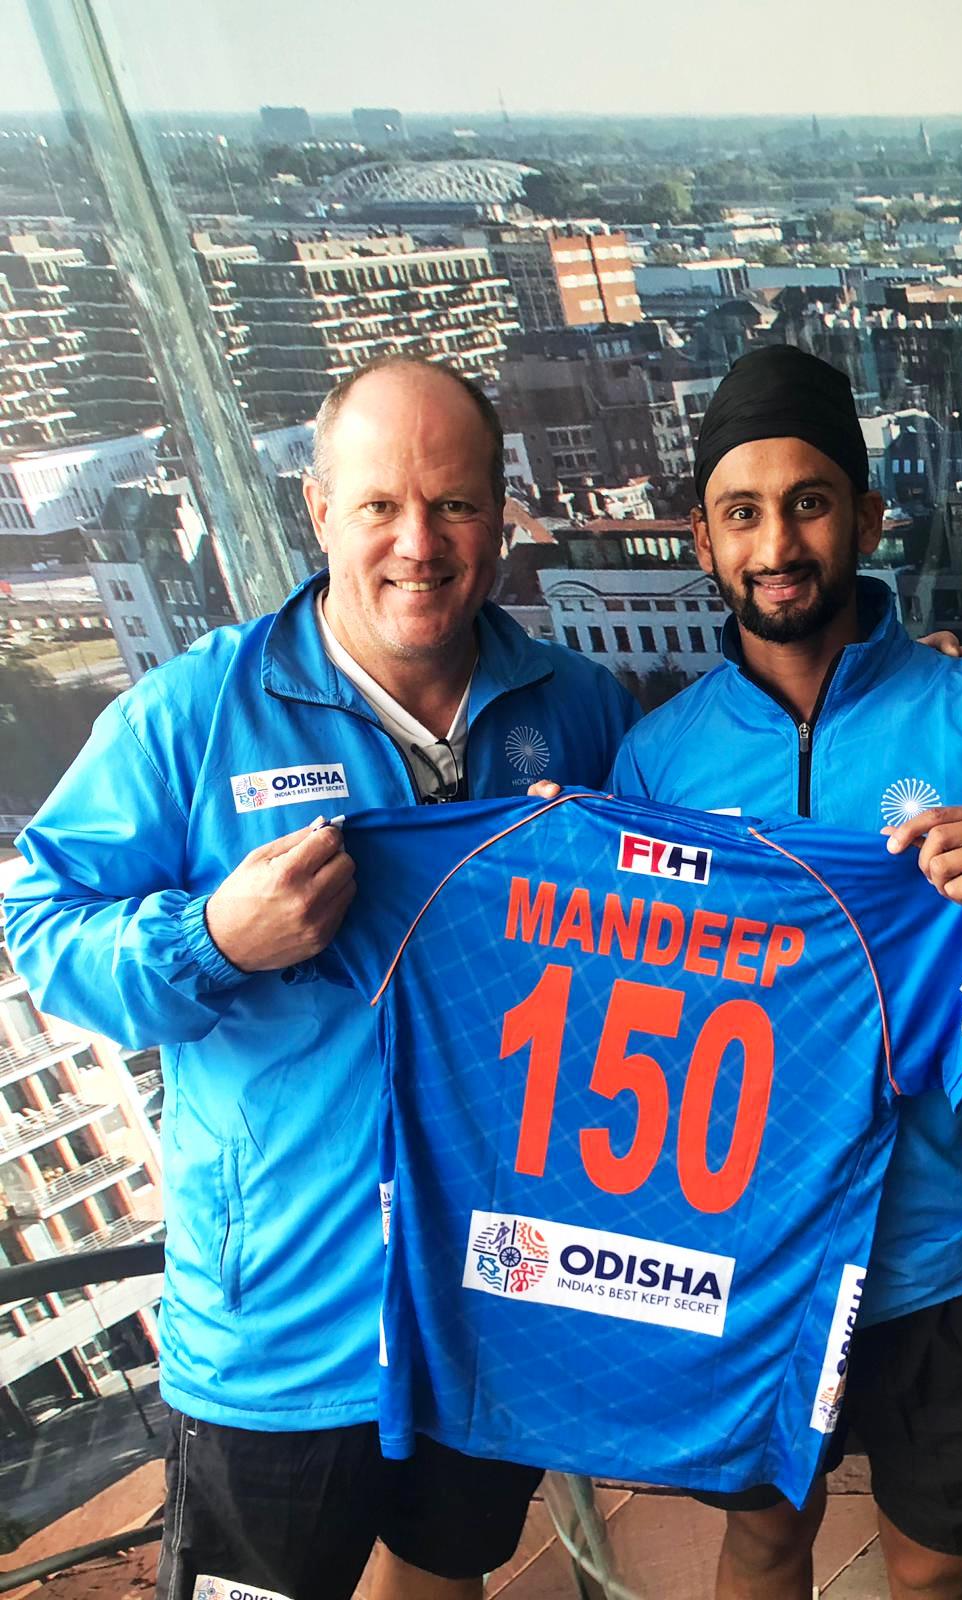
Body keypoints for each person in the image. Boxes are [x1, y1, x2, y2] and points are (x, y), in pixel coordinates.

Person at [3, 357, 640, 1600]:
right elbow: (39, 925)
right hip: (281, 1335)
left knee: (443, 1579)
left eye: (454, 505)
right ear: (319, 508)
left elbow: (700, 876)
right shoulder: (194, 716)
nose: (420, 543)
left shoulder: (576, 710)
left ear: (501, 516)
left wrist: (884, 685)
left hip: (488, 1302)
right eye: (381, 505)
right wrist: (212, 938)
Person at [603, 345, 962, 1600]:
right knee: (763, 1541)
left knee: (933, 1570)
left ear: (866, 518)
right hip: (751, 1251)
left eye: (809, 503)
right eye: (742, 513)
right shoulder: (656, 763)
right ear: (702, 540)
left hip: (945, 1244)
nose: (777, 545)